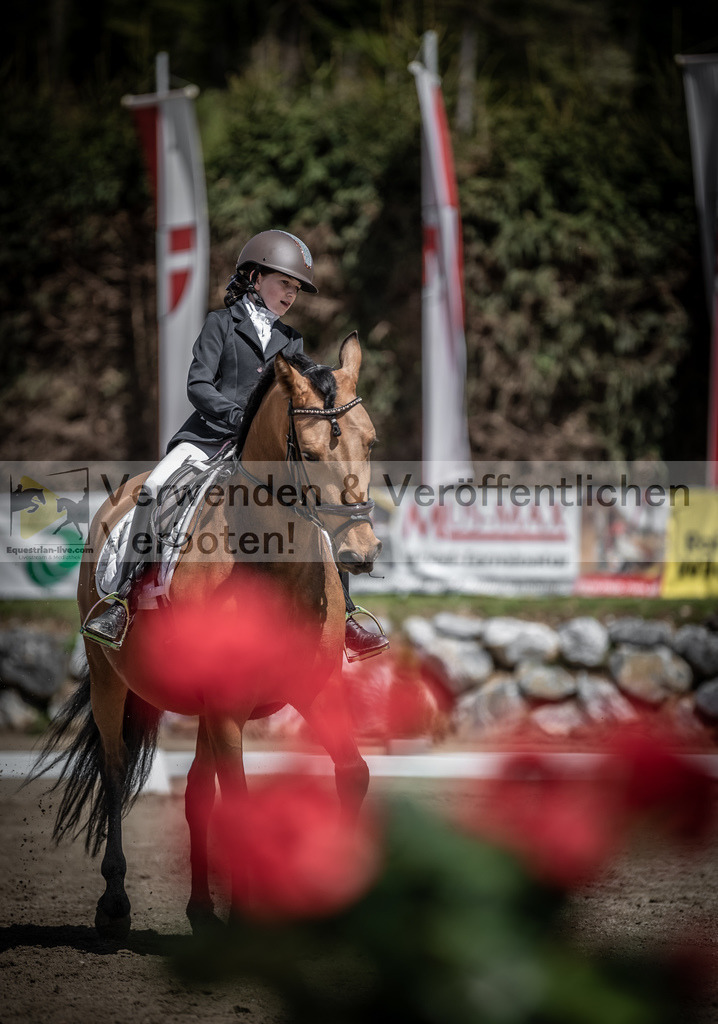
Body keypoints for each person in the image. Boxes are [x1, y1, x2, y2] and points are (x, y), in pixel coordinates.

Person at [82, 229, 389, 661]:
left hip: (267, 451)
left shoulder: (292, 339)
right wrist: (237, 418)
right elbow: (199, 385)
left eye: (296, 288)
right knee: (155, 491)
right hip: (208, 437)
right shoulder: (220, 325)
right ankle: (122, 598)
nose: (290, 295)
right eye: (284, 283)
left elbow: (298, 395)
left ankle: (347, 613)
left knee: (323, 505)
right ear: (254, 276)